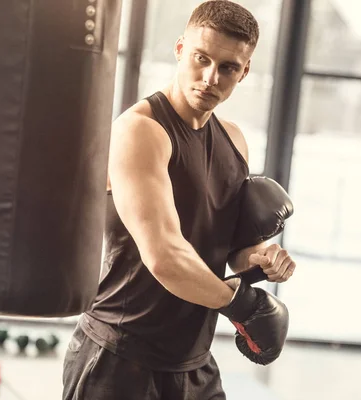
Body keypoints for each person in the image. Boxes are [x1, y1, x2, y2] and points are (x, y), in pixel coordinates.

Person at [62, 1, 296, 398]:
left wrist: (262, 260)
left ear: (245, 71)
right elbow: (166, 256)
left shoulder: (234, 142)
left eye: (228, 67)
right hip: (119, 357)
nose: (210, 78)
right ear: (179, 49)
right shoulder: (142, 132)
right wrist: (241, 305)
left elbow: (230, 249)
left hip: (193, 362)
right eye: (201, 58)